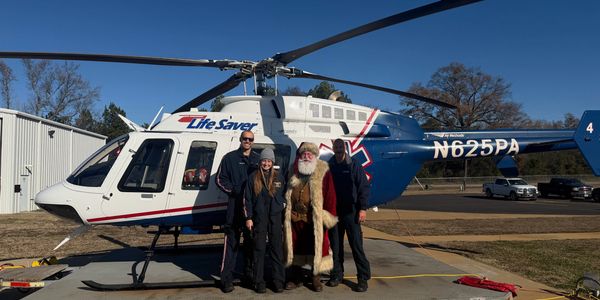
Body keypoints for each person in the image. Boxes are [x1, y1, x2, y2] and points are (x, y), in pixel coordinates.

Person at [283, 142, 337, 292]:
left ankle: (316, 278)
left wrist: (327, 217)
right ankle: (296, 278)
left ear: (314, 156)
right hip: (295, 218)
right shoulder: (293, 170)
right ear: (300, 156)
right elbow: (285, 192)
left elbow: (330, 195)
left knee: (317, 248)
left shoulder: (323, 171)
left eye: (309, 154)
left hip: (313, 219)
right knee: (295, 248)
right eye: (304, 154)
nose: (306, 156)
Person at [216, 130, 260, 293]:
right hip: (234, 208)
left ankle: (249, 276)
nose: (247, 141)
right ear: (240, 140)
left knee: (250, 244)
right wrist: (234, 191)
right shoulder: (229, 158)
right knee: (231, 244)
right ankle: (226, 279)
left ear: (253, 141)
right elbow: (219, 179)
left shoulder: (257, 159)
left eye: (250, 139)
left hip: (251, 210)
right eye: (245, 139)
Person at [326, 138, 371, 292]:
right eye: (335, 146)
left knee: (356, 246)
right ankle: (337, 275)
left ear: (344, 148)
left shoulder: (354, 164)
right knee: (336, 246)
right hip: (334, 213)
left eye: (340, 146)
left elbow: (363, 186)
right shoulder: (330, 165)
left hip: (351, 212)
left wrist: (363, 208)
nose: (338, 149)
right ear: (333, 148)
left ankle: (363, 278)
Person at [243, 148, 286, 293]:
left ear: (272, 162)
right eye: (264, 160)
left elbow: (285, 195)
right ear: (260, 162)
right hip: (259, 218)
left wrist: (281, 206)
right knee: (259, 249)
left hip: (275, 217)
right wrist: (248, 218)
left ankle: (278, 281)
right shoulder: (253, 177)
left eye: (269, 161)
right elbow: (247, 199)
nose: (266, 163)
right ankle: (258, 281)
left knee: (276, 249)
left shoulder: (279, 178)